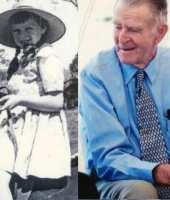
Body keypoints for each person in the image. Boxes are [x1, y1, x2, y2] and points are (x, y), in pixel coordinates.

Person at [79, 0, 170, 199]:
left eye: (133, 30)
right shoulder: (95, 75)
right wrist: (159, 172)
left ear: (160, 33)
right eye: (117, 26)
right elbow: (107, 158)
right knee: (141, 191)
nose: (121, 38)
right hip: (118, 179)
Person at [0, 1, 71, 199]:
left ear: (43, 28)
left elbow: (57, 102)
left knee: (28, 182)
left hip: (39, 126)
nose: (22, 35)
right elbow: (19, 90)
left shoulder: (47, 56)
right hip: (13, 125)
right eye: (16, 31)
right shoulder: (19, 59)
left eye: (28, 28)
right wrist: (5, 98)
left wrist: (19, 100)